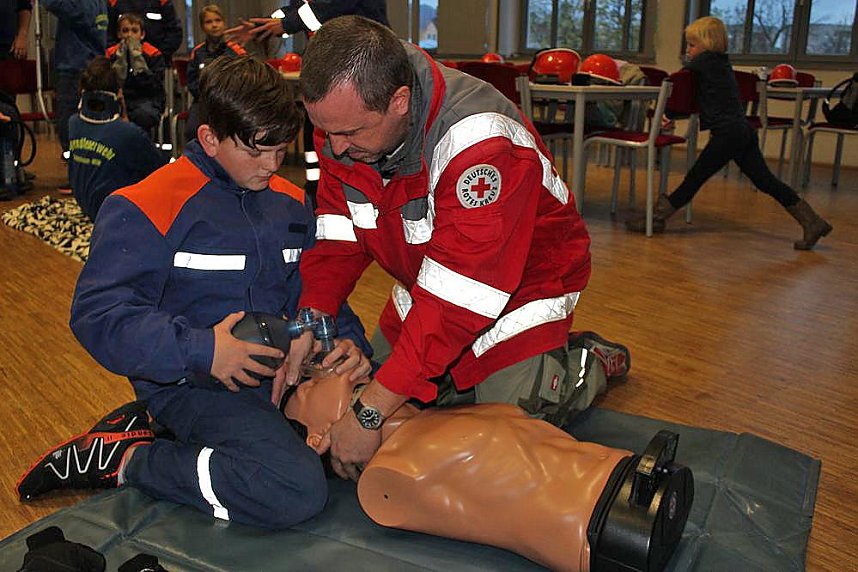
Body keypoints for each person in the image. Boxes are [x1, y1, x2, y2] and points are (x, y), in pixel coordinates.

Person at [16, 55, 372, 529]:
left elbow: (317, 291)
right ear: (209, 138)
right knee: (293, 489)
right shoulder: (145, 205)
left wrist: (347, 343)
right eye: (256, 151)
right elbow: (98, 315)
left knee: (379, 432)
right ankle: (129, 460)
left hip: (284, 367)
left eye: (280, 149)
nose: (271, 165)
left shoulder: (288, 203)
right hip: (191, 385)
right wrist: (206, 351)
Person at [285, 16, 593, 480]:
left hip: (522, 294)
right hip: (429, 282)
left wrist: (371, 413)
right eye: (326, 131)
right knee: (392, 396)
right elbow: (338, 234)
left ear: (400, 101)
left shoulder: (480, 144)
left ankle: (584, 364)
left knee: (497, 453)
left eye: (350, 134)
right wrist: (313, 313)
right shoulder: (342, 122)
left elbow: (462, 296)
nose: (338, 148)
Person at [281, 365, 692, 572]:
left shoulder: (431, 417)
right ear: (318, 437)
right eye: (308, 387)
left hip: (632, 476)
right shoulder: (386, 479)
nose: (319, 374)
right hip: (604, 529)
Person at [625, 16, 832, 250]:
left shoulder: (702, 63)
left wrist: (667, 112)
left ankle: (657, 219)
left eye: (692, 46)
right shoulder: (722, 64)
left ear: (708, 44)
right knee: (766, 181)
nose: (688, 51)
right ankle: (812, 221)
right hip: (742, 131)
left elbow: (678, 83)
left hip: (727, 134)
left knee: (695, 178)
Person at [225, 0, 390, 201]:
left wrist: (287, 24)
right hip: (329, 69)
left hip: (364, 66)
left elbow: (327, 8)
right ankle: (317, 189)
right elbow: (297, 10)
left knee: (358, 137)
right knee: (316, 133)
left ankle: (368, 191)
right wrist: (265, 26)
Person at [68, 56, 165, 221]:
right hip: (117, 213)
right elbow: (159, 170)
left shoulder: (73, 123)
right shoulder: (129, 133)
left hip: (86, 205)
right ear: (119, 93)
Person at [43, 0, 108, 189]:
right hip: (87, 66)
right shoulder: (99, 4)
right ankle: (83, 173)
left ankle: (79, 175)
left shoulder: (85, 4)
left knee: (69, 123)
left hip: (75, 68)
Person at [184, 4, 246, 141]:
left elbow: (244, 80)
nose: (214, 25)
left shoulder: (236, 51)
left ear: (224, 23)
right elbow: (192, 81)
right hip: (203, 101)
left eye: (218, 20)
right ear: (202, 26)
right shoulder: (197, 52)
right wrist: (206, 96)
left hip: (229, 102)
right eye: (209, 22)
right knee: (192, 130)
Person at [106, 13, 165, 134]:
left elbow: (155, 86)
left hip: (146, 99)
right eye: (125, 30)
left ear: (142, 34)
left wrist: (138, 62)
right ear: (119, 34)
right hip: (118, 99)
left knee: (144, 115)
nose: (129, 35)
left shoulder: (154, 54)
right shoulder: (111, 53)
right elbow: (107, 82)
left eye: (134, 31)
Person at [106, 0, 182, 61]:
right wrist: (116, 55)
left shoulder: (162, 1)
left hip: (155, 61)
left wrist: (159, 56)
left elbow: (174, 32)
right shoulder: (114, 2)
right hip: (120, 62)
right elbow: (107, 33)